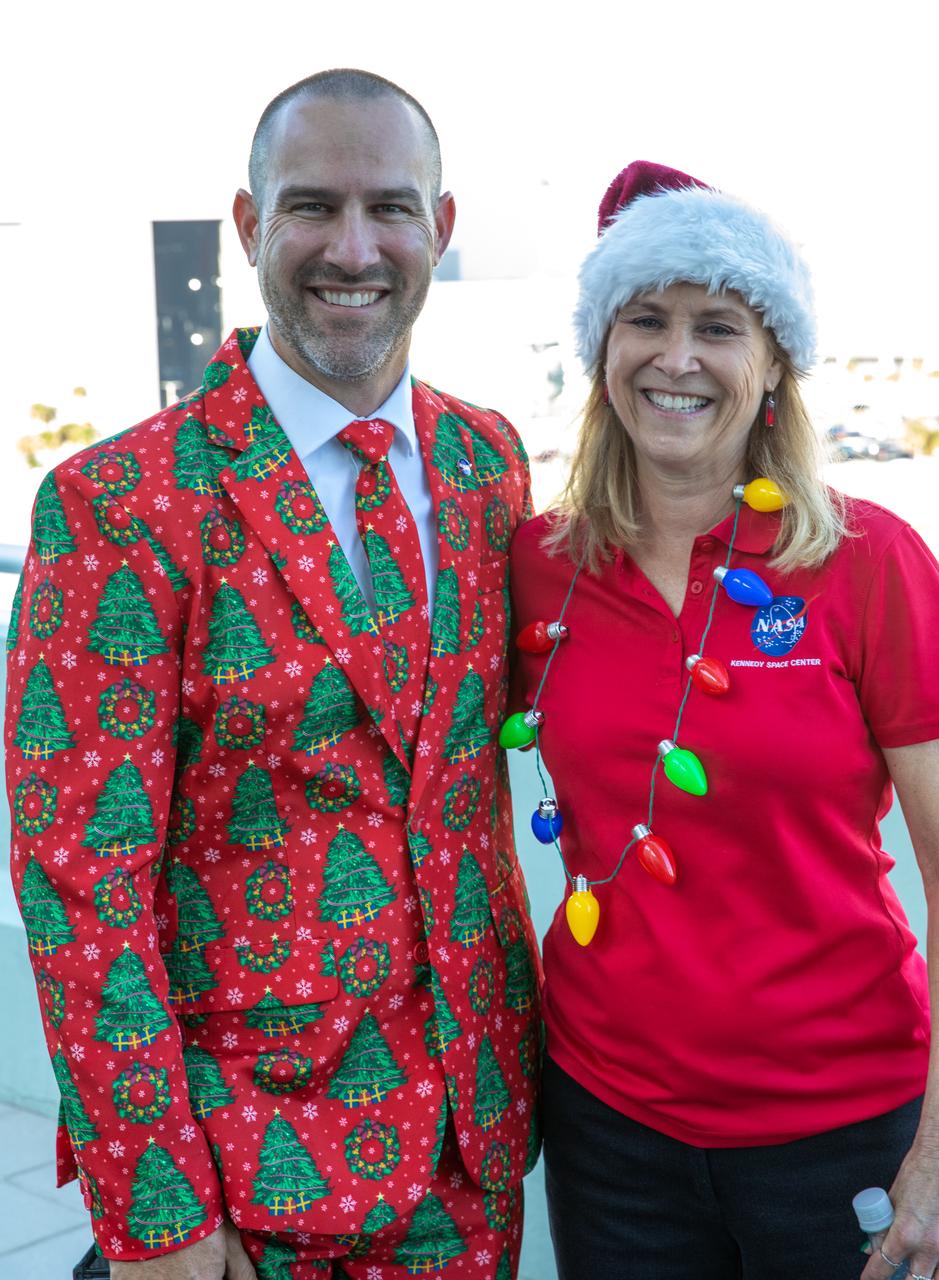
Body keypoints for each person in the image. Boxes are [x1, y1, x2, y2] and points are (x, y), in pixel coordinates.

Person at [5, 69, 540, 1280]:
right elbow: (81, 892)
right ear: (249, 228)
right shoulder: (115, 504)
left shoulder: (487, 462)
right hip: (245, 1177)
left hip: (476, 1150)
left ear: (439, 231)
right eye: (312, 207)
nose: (353, 248)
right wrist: (160, 1213)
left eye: (391, 209)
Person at [510, 160, 939, 1280]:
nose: (678, 356)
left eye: (720, 325)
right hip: (610, 1127)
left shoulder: (868, 561)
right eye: (645, 319)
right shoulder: (539, 569)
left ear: (775, 362)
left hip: (845, 1125)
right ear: (603, 353)